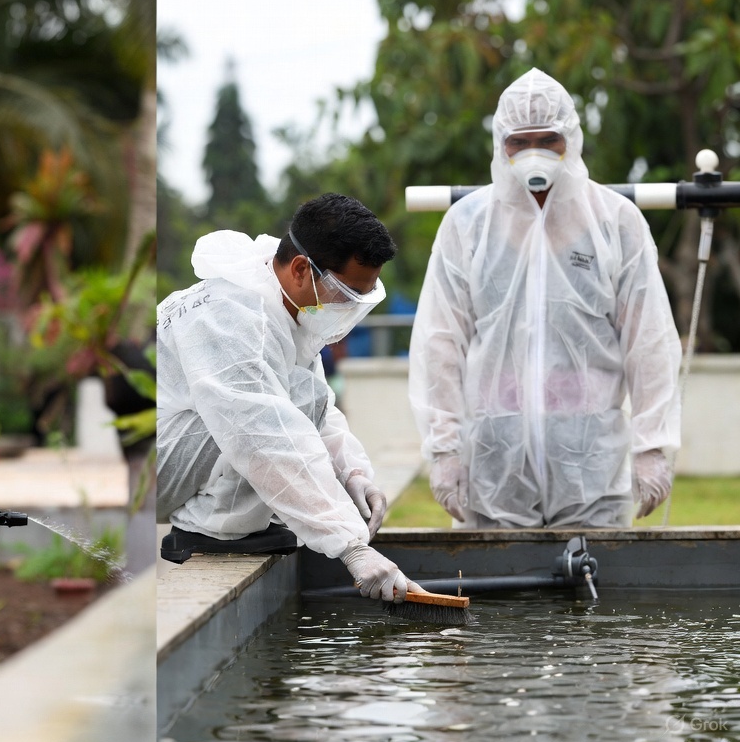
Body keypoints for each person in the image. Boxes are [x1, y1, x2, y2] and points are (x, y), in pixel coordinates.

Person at [408, 67, 682, 529]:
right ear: (501, 145)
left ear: (570, 141)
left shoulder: (615, 222)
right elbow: (439, 342)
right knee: (495, 596)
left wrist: (652, 446)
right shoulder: (468, 224)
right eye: (519, 141)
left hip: (591, 464)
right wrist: (445, 449)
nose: (533, 153)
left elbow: (649, 340)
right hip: (492, 467)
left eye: (547, 139)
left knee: (595, 597)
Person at [157, 193, 414, 602]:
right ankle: (212, 529)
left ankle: (238, 521)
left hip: (186, 451)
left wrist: (354, 474)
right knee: (264, 411)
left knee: (300, 392)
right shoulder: (231, 314)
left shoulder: (284, 309)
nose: (347, 309)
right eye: (345, 294)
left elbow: (319, 410)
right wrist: (351, 545)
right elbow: (263, 435)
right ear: (300, 269)